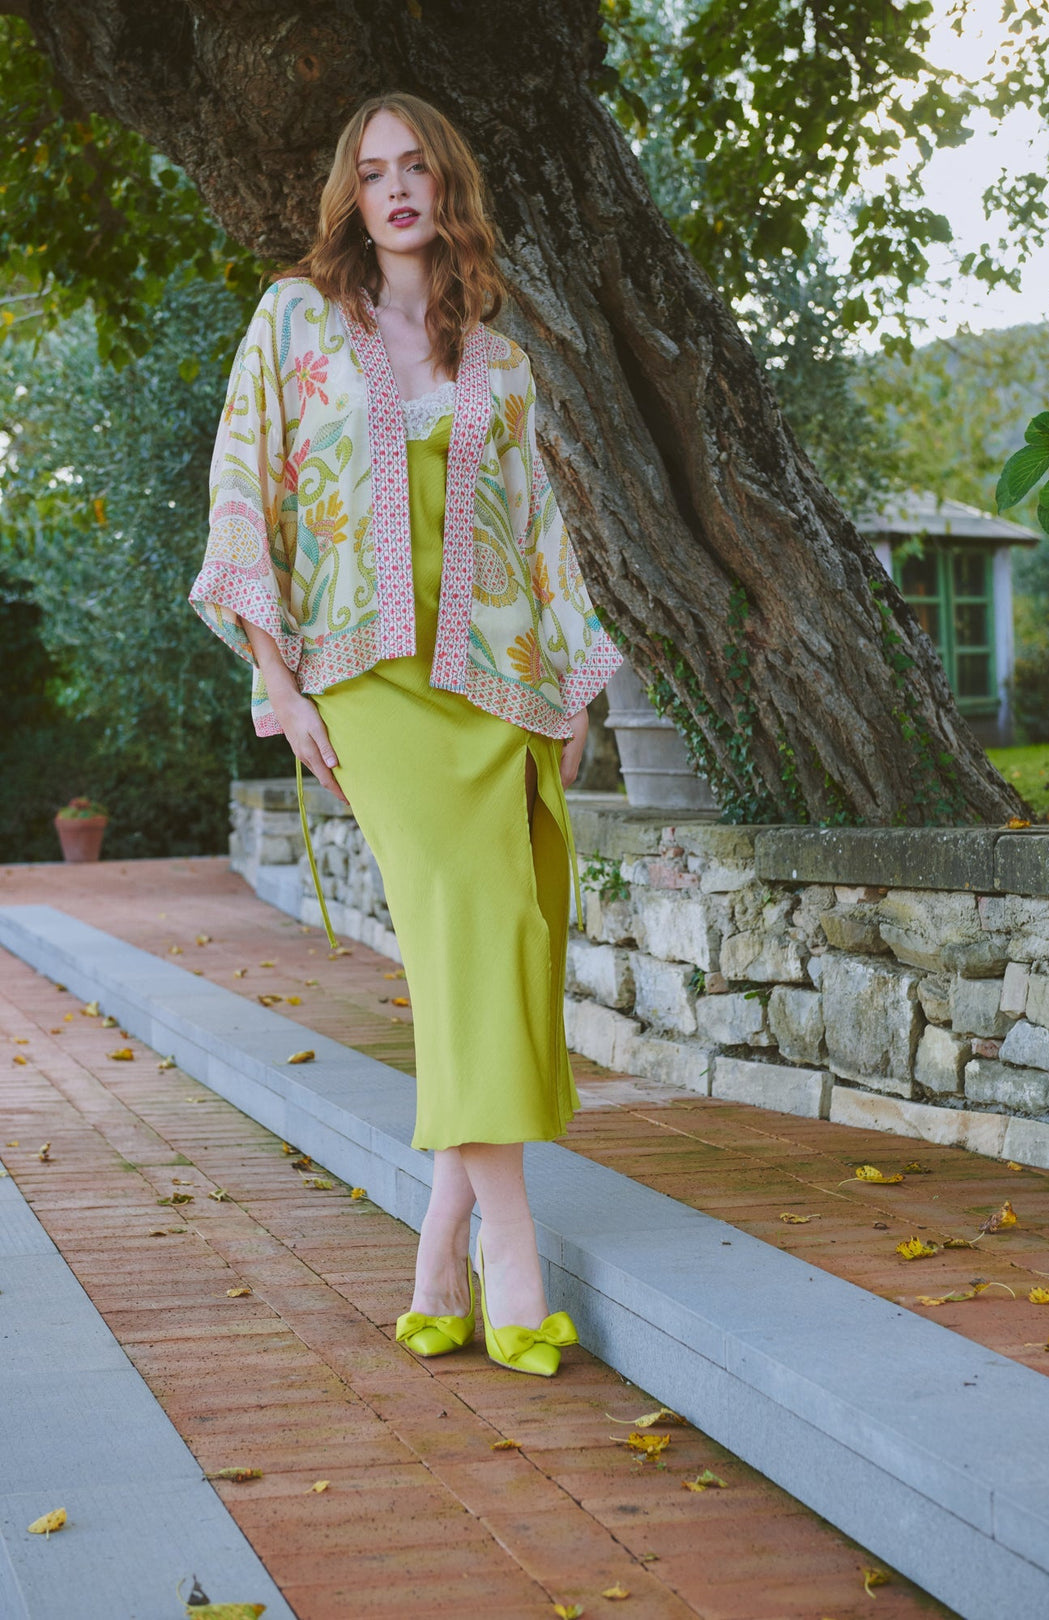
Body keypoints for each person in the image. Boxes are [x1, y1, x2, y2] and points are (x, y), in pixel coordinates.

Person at [190, 91, 622, 1377]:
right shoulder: (292, 321)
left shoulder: (503, 361)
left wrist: (576, 687)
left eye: (416, 166)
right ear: (350, 194)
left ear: (448, 186)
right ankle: (514, 1251)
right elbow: (241, 496)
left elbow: (539, 529)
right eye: (373, 171)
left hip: (496, 683)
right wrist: (282, 686)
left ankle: (440, 1250)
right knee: (459, 920)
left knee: (493, 940)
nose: (395, 188)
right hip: (363, 680)